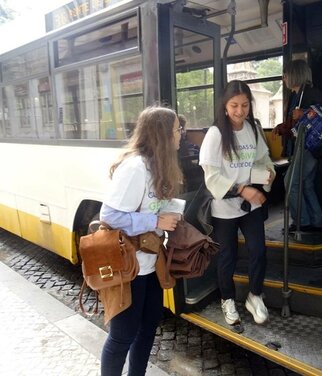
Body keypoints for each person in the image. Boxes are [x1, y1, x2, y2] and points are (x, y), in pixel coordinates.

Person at [99, 106, 184, 375]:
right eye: (177, 130)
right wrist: (156, 222)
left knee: (147, 328)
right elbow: (109, 215)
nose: (181, 135)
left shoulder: (157, 166)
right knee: (122, 335)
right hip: (129, 267)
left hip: (150, 264)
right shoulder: (135, 167)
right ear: (162, 135)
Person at [199, 80, 275, 326]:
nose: (240, 111)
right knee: (227, 256)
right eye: (234, 105)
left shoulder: (253, 128)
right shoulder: (216, 134)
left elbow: (263, 158)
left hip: (250, 205)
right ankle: (227, 299)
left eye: (244, 105)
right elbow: (212, 178)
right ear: (225, 105)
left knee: (258, 251)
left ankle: (254, 295)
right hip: (225, 209)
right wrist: (242, 189)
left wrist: (269, 173)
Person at [273, 59, 322, 233]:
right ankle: (316, 222)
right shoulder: (296, 95)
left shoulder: (310, 92)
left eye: (286, 74)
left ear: (294, 74)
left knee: (290, 182)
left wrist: (305, 113)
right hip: (305, 146)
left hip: (310, 146)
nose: (284, 78)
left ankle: (301, 222)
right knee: (306, 183)